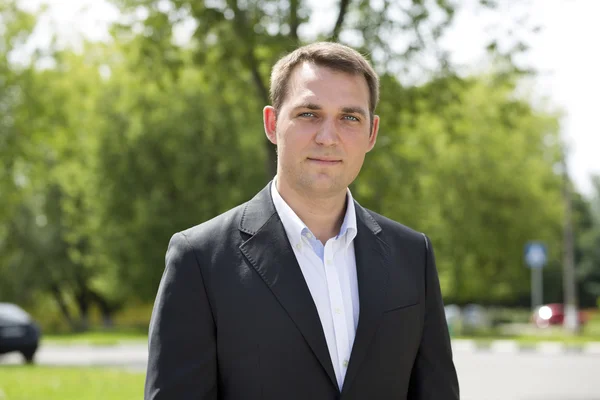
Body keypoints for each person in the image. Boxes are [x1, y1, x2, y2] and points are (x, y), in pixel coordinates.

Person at [144, 41, 459, 400]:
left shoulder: (412, 254)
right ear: (272, 123)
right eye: (309, 114)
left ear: (371, 133)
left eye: (349, 118)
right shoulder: (200, 259)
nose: (328, 137)